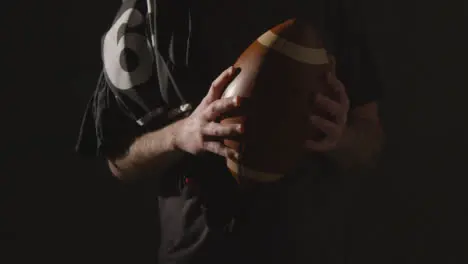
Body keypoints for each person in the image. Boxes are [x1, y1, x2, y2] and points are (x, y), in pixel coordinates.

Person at [76, 0, 384, 263]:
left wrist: (339, 136)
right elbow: (118, 160)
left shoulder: (326, 9)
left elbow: (369, 144)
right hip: (200, 250)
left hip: (305, 247)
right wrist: (179, 135)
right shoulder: (153, 10)